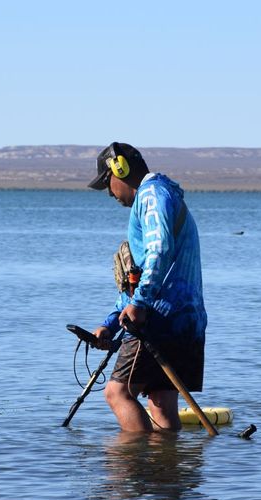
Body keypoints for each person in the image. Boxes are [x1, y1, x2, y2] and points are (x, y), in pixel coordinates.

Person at [89, 142, 207, 432]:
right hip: (186, 322)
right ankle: (165, 461)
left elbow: (159, 250)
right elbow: (139, 275)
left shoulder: (152, 195)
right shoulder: (162, 195)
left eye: (107, 182)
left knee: (117, 393)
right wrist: (110, 324)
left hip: (159, 321)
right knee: (161, 402)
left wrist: (140, 304)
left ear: (120, 170)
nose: (109, 193)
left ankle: (133, 460)